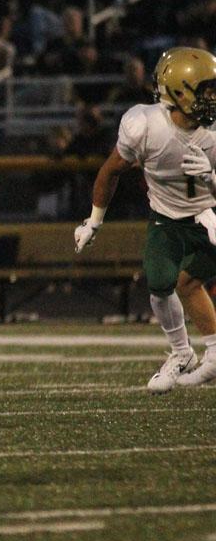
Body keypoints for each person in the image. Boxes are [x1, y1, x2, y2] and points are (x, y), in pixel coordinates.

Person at [75, 47, 216, 392]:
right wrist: (93, 221)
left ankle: (212, 353)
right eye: (206, 91)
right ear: (179, 92)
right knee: (160, 283)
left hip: (209, 215)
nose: (212, 99)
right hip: (166, 218)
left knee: (188, 283)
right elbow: (110, 172)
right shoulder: (144, 124)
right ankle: (182, 353)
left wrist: (212, 179)